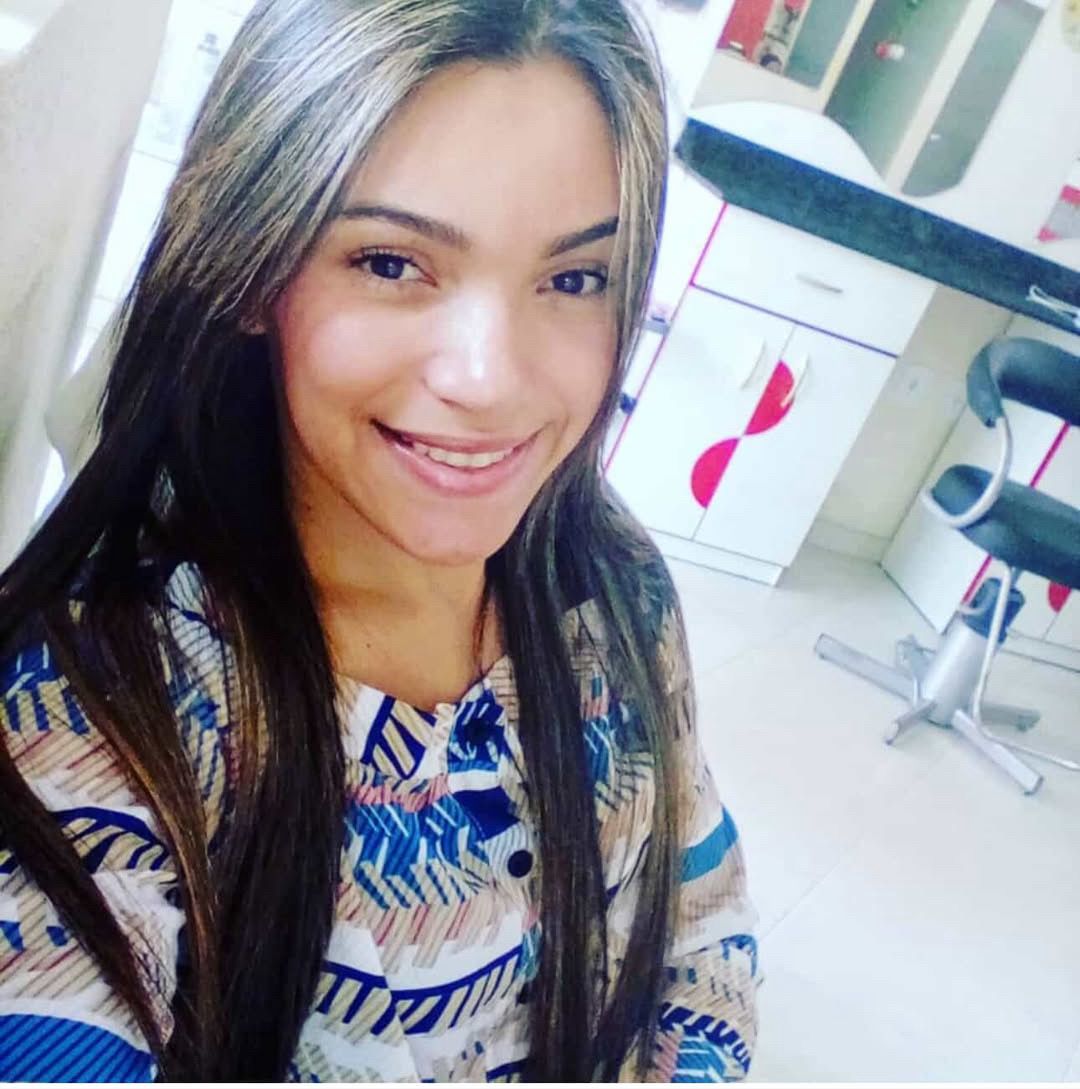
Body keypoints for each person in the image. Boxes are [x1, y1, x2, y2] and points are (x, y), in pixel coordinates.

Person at [0, 0, 758, 1081]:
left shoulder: (608, 577)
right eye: (393, 263)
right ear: (255, 268)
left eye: (573, 279)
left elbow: (702, 941)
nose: (489, 379)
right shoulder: (101, 713)